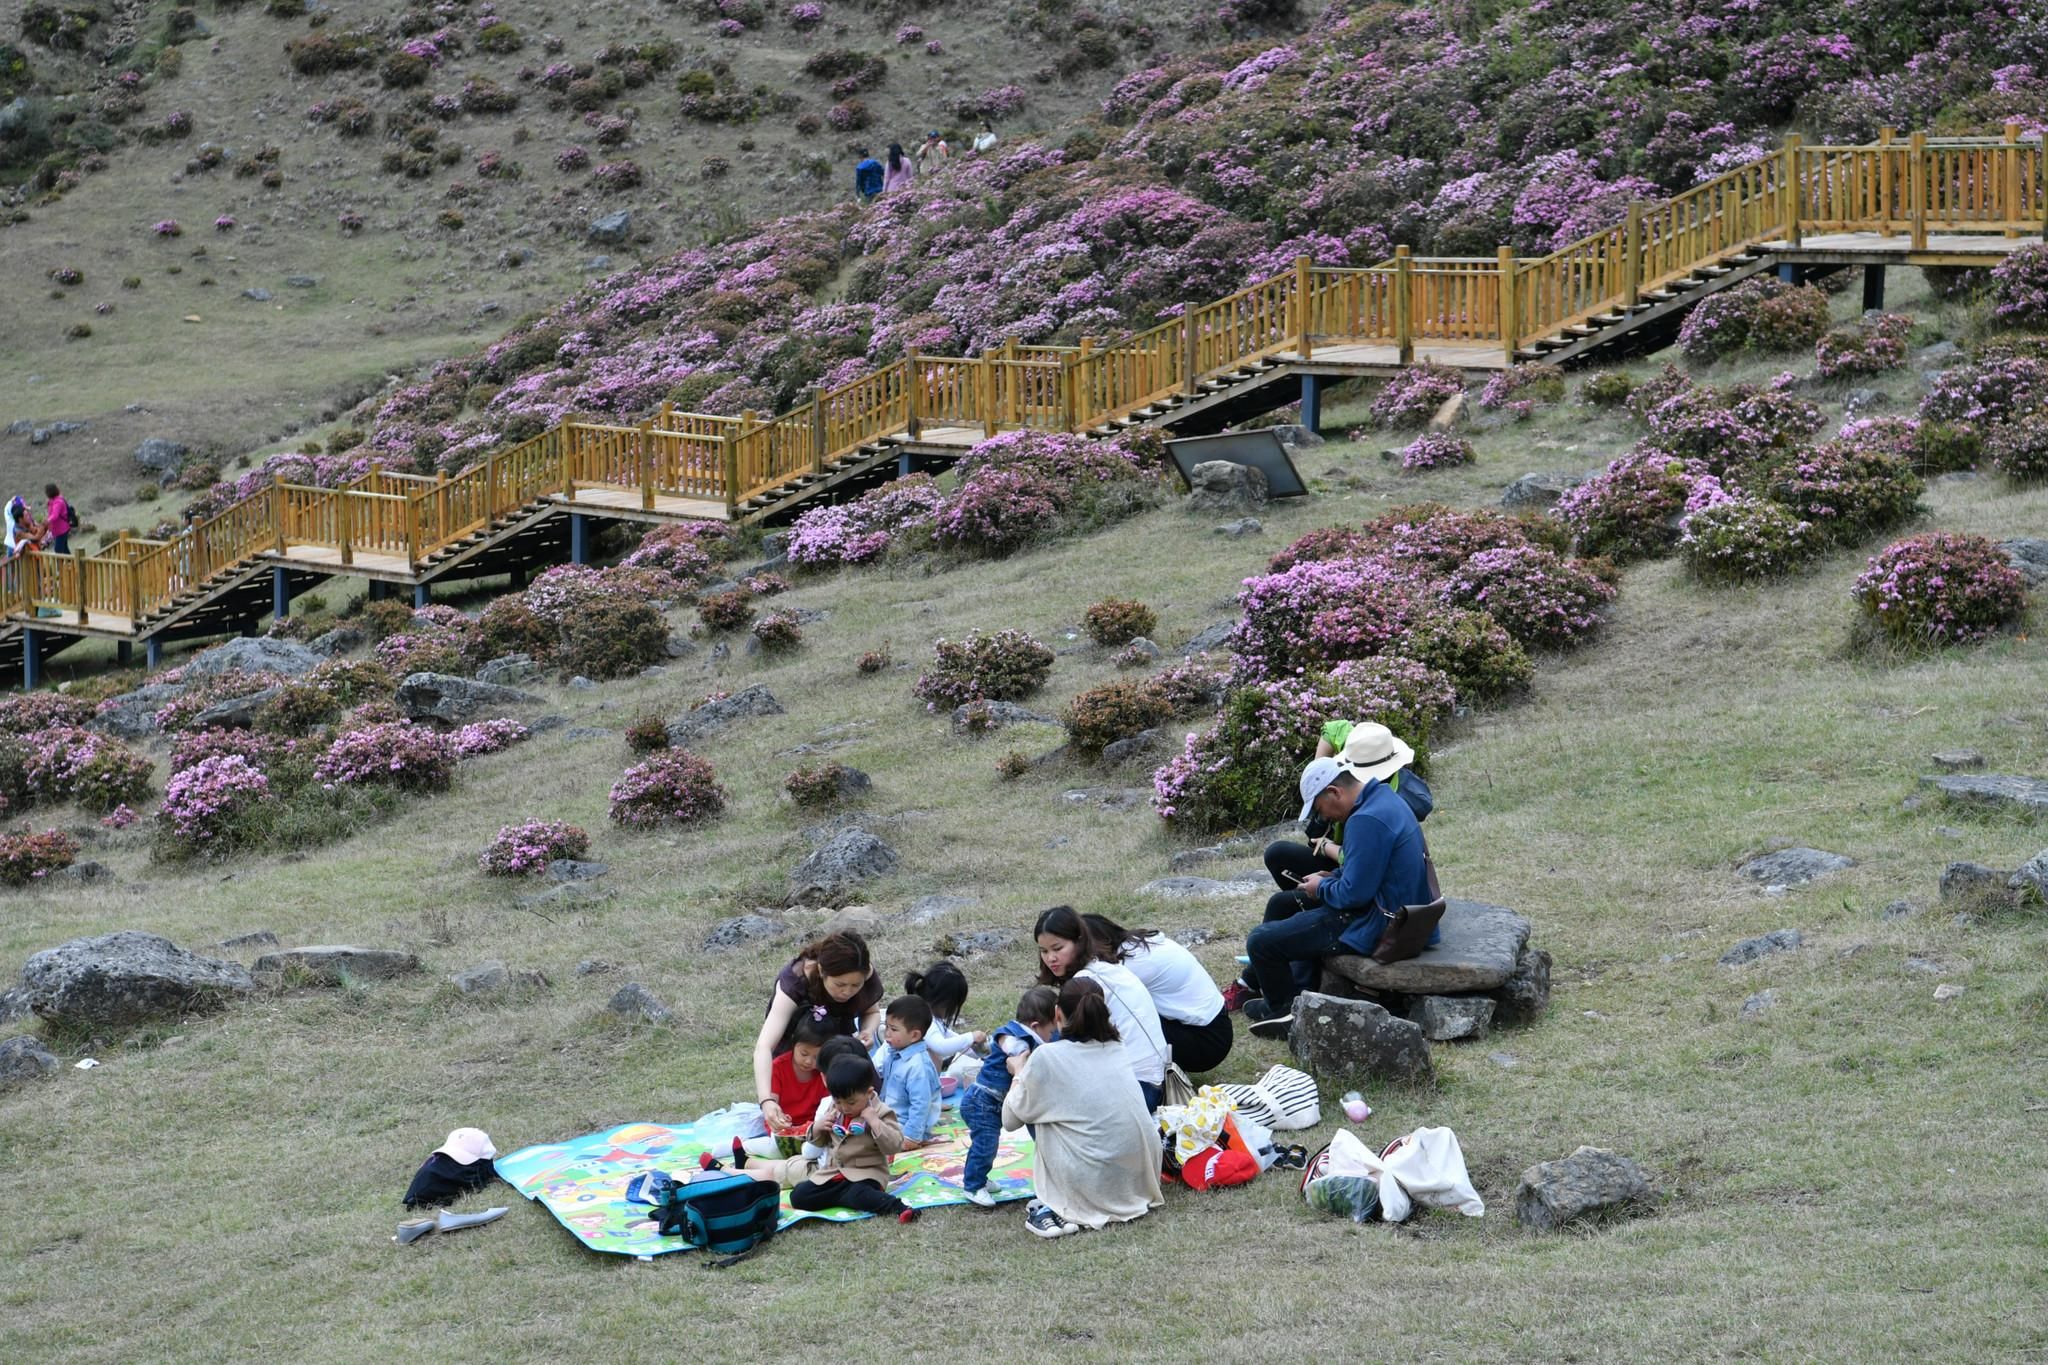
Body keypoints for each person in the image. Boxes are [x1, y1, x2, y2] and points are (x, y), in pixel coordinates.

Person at [1231, 721, 1431, 1012]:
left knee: (1261, 941)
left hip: (1376, 923)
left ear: (1335, 792)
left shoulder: (1365, 820)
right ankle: (1295, 989)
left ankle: (1285, 1014)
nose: (1323, 816)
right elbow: (1369, 869)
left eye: (1319, 807)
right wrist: (1333, 874)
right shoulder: (1384, 797)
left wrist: (1321, 886)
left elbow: (1354, 896)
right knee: (1284, 904)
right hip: (1394, 909)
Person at [1001, 977, 1163, 1239]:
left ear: (1057, 1014)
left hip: (1092, 1184)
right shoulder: (1116, 1046)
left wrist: (1018, 1072)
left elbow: (1010, 1120)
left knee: (1034, 1104)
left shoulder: (1047, 1057)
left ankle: (1054, 1204)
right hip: (1140, 1182)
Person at [1033, 905, 1168, 1108]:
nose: (1050, 958)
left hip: (1137, 1089)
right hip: (1155, 1081)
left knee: (1039, 1105)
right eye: (1044, 951)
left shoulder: (1086, 983)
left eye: (1058, 948)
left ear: (1079, 941)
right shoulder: (1105, 966)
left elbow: (1073, 1051)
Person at [752, 931, 884, 1130]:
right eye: (839, 984)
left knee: (860, 1096)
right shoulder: (795, 981)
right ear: (822, 971)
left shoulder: (864, 973)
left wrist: (867, 1030)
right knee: (793, 1107)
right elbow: (764, 1046)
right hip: (799, 1041)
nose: (847, 992)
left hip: (841, 1042)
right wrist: (766, 1101)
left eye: (855, 985)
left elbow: (872, 1011)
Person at [1083, 914, 1232, 1075]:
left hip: (1206, 1042)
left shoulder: (1132, 964)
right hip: (1214, 1027)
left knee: (1109, 1015)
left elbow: (1088, 1000)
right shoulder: (1138, 945)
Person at [788, 1055, 919, 1223]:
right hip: (834, 1173)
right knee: (799, 1196)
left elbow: (893, 1145)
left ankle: (897, 1207)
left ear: (868, 1092)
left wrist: (874, 1122)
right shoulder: (834, 1109)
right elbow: (820, 1143)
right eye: (838, 1101)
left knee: (862, 1194)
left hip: (867, 1175)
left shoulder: (880, 1112)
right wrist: (818, 1127)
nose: (844, 1108)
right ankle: (845, 1198)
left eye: (851, 1102)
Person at [960, 985, 1056, 1207]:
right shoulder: (1017, 1039)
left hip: (996, 1101)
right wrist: (1016, 1050)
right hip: (982, 1102)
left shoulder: (1029, 1036)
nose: (1052, 1035)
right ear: (1035, 1026)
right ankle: (973, 1186)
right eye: (1051, 1030)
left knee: (988, 1145)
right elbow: (1004, 1038)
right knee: (985, 1145)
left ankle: (980, 1177)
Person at [874, 995, 941, 1147]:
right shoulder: (893, 1051)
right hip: (890, 1118)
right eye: (887, 1026)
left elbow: (921, 1105)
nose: (887, 1033)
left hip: (906, 1127)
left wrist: (911, 1137)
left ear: (914, 1035)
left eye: (894, 1029)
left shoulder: (918, 1066)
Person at [903, 961, 984, 1065]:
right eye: (956, 1005)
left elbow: (953, 1039)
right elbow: (941, 1047)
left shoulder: (928, 1017)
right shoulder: (923, 1020)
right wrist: (971, 1037)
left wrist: (981, 1052)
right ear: (945, 1002)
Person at [765, 1014, 835, 1130]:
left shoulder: (824, 1071)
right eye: (804, 1054)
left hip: (816, 1126)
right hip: (782, 1125)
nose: (808, 1061)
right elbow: (772, 1105)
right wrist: (780, 1120)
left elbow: (829, 1107)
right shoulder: (778, 1067)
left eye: (816, 1057)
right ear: (794, 1044)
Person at [41, 485, 70, 557]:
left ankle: (63, 566)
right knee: (65, 549)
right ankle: (71, 563)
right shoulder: (53, 501)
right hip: (59, 530)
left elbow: (55, 515)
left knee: (58, 550)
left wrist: (47, 520)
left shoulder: (58, 502)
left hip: (61, 530)